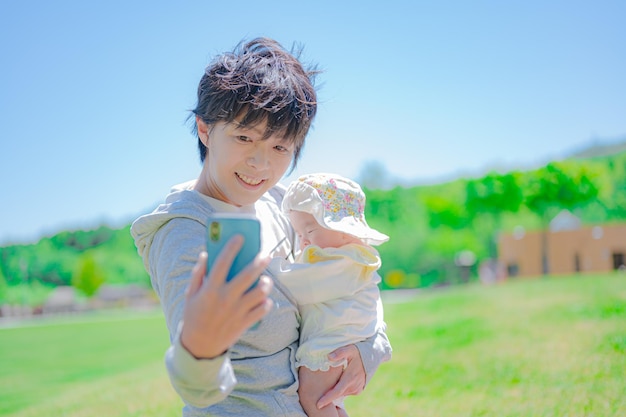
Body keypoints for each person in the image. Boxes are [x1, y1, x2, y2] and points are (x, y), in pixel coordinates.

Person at [130, 37, 391, 416]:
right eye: (243, 137)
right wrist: (199, 348)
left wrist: (368, 349)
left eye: (279, 147)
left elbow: (352, 272)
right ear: (205, 130)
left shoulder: (283, 203)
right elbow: (199, 389)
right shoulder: (183, 230)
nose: (259, 164)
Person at [270, 173, 390, 417]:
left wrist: (267, 267)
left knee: (315, 401)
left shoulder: (347, 260)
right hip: (337, 343)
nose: (303, 241)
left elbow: (302, 286)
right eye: (298, 233)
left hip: (332, 347)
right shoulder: (346, 257)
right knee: (330, 404)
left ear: (343, 228)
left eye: (309, 230)